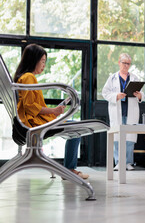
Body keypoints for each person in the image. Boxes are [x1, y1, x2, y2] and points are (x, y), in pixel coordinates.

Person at [14, 44, 89, 180]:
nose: (44, 65)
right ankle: (69, 169)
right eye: (42, 61)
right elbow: (30, 106)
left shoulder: (24, 77)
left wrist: (54, 112)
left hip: (29, 122)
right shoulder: (29, 77)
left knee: (73, 127)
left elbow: (31, 106)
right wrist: (53, 110)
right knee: (76, 130)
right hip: (33, 124)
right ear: (33, 60)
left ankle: (69, 169)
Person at [102, 53, 144, 171]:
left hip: (131, 111)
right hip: (117, 111)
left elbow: (142, 94)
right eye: (124, 63)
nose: (126, 66)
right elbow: (105, 93)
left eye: (128, 64)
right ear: (119, 63)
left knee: (130, 139)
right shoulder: (112, 78)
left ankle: (128, 163)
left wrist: (140, 95)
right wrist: (116, 95)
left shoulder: (135, 78)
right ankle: (119, 162)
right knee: (117, 138)